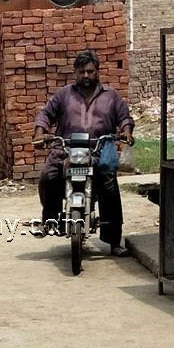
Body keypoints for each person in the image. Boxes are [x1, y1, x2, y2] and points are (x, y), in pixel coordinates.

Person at [33, 49, 135, 257]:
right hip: (66, 149)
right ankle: (50, 220)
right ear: (75, 72)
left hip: (99, 149)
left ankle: (114, 241)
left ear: (97, 71)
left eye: (89, 71)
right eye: (81, 72)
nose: (85, 76)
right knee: (47, 177)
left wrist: (126, 132)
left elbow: (124, 117)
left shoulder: (111, 96)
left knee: (110, 188)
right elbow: (46, 114)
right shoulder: (64, 95)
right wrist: (39, 132)